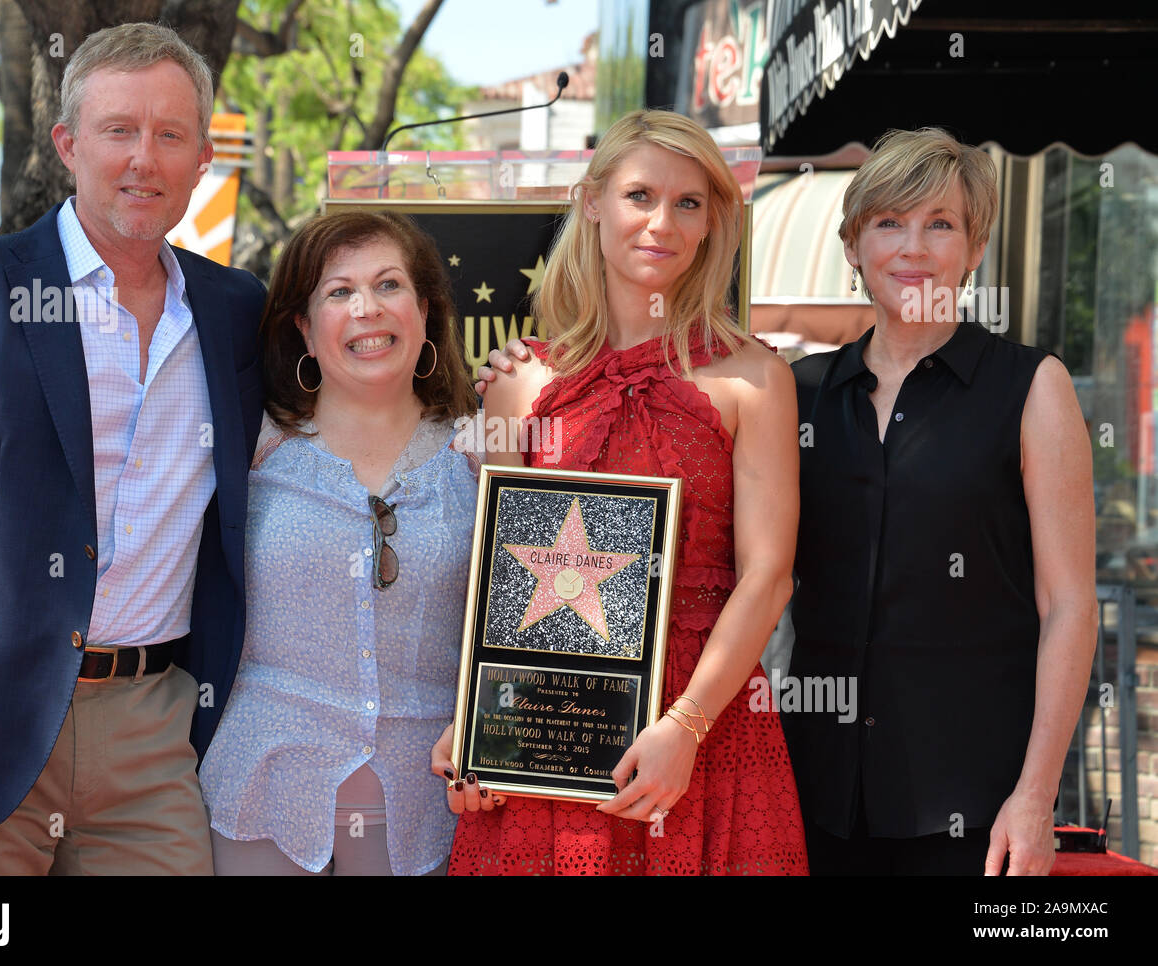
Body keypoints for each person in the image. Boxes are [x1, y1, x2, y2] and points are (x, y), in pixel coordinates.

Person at [0, 23, 266, 874]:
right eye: (119, 130)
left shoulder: (236, 313)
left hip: (156, 735)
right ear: (68, 143)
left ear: (202, 158)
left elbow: (349, 392)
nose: (143, 160)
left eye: (170, 135)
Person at [441, 109, 809, 875]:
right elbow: (497, 581)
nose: (662, 222)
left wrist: (685, 725)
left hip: (707, 720)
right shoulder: (517, 383)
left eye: (689, 203)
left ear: (712, 224)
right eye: (641, 194)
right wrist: (473, 722)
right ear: (594, 202)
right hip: (552, 721)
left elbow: (768, 574)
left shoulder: (756, 378)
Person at [783, 128, 1096, 875]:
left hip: (976, 810)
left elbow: (1070, 606)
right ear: (854, 247)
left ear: (975, 246)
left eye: (941, 224)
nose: (913, 248)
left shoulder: (1031, 387)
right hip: (811, 795)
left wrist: (1035, 796)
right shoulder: (796, 392)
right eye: (889, 222)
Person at [199, 210, 483, 876]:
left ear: (426, 311)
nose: (366, 309)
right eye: (338, 291)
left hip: (430, 809)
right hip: (259, 798)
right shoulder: (251, 445)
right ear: (302, 324)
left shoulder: (483, 449)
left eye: (388, 285)